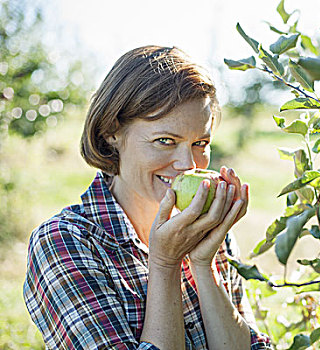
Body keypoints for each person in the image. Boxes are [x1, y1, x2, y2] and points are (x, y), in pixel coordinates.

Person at [23, 45, 272, 350]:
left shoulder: (205, 229)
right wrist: (165, 263)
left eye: (200, 142)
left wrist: (203, 264)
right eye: (165, 141)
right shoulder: (64, 242)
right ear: (112, 132)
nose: (188, 165)